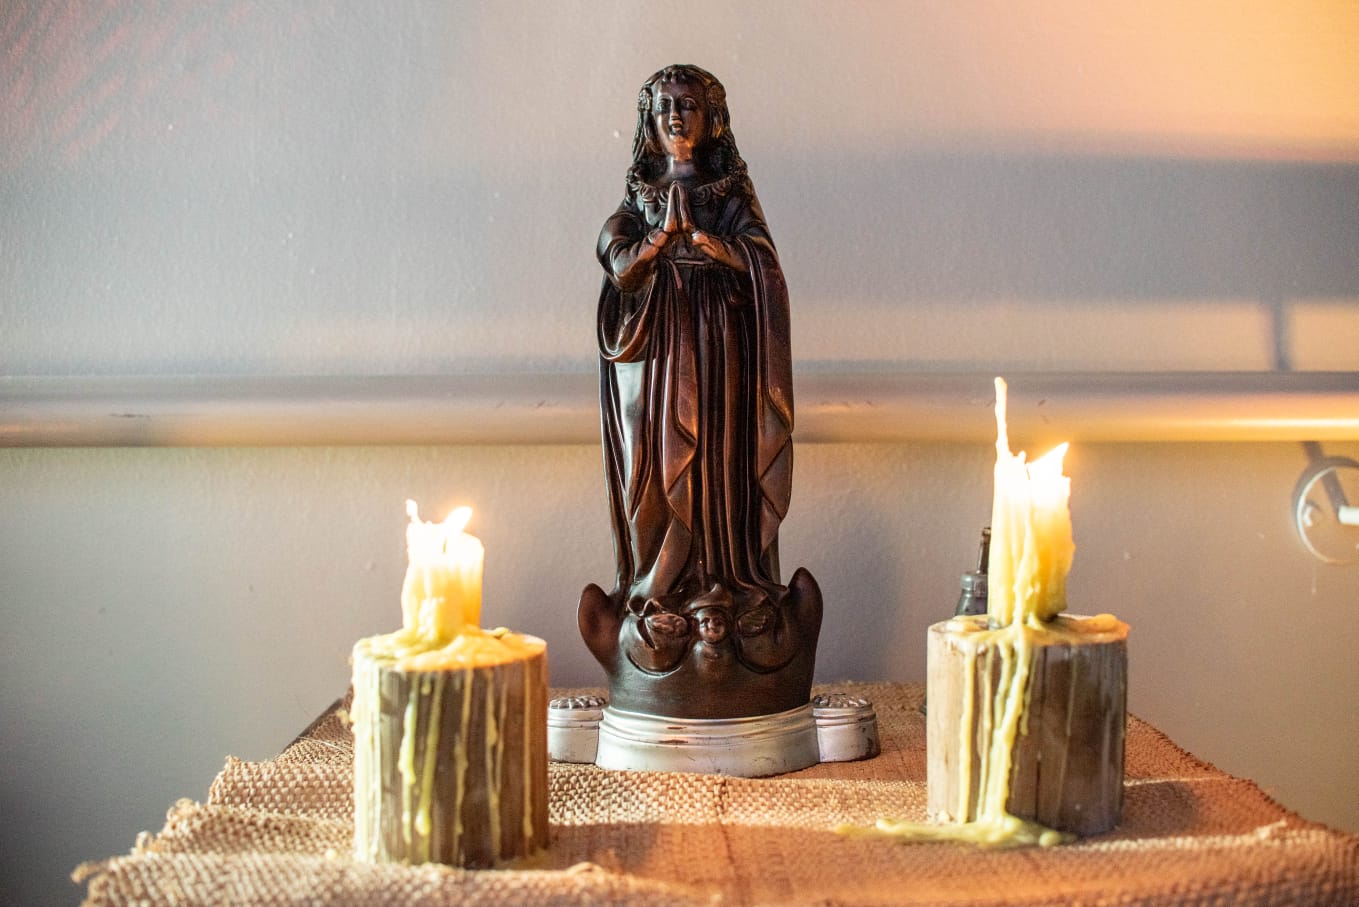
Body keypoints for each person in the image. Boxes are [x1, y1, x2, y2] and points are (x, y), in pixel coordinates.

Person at [581, 65, 818, 719]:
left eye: (688, 105)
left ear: (712, 118)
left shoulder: (730, 193)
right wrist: (660, 239)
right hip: (659, 365)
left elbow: (764, 264)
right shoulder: (638, 199)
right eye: (664, 107)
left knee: (718, 466)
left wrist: (717, 248)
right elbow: (618, 263)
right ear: (648, 123)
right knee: (658, 471)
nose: (676, 116)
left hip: (722, 360)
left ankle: (729, 580)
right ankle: (659, 591)